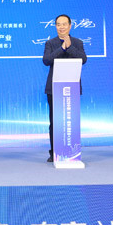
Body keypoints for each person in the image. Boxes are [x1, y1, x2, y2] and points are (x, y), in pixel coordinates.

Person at [42, 14, 87, 162]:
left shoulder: (77, 43)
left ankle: (71, 150)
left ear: (70, 26)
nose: (61, 27)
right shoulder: (50, 43)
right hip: (54, 89)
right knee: (55, 121)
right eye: (58, 24)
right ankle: (54, 152)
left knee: (70, 121)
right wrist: (62, 48)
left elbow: (83, 59)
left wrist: (70, 47)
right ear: (56, 26)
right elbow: (47, 60)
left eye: (64, 24)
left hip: (72, 88)